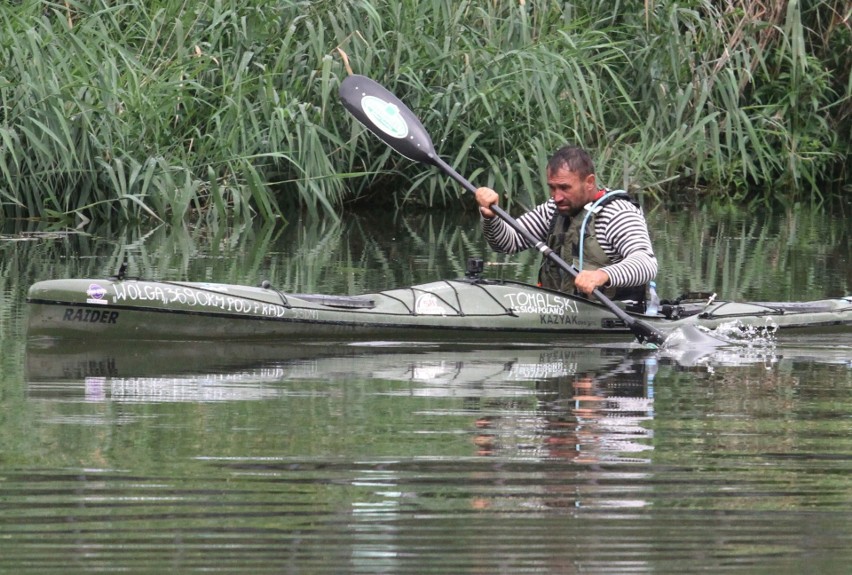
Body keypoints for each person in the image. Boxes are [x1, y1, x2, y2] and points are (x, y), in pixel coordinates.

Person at [474, 145, 657, 303]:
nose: (557, 196)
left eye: (564, 187)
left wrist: (601, 275)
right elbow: (507, 243)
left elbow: (646, 263)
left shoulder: (617, 213)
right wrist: (491, 217)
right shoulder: (553, 209)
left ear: (589, 182)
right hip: (563, 313)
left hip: (616, 317)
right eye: (552, 187)